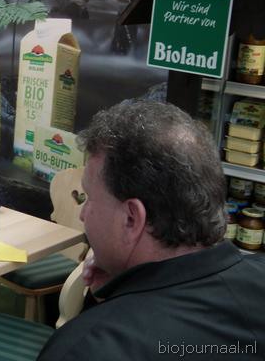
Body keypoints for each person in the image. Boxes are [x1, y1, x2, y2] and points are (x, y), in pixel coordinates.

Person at [38, 100, 265, 360]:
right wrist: (113, 292)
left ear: (131, 219)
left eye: (89, 198)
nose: (82, 213)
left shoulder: (86, 348)